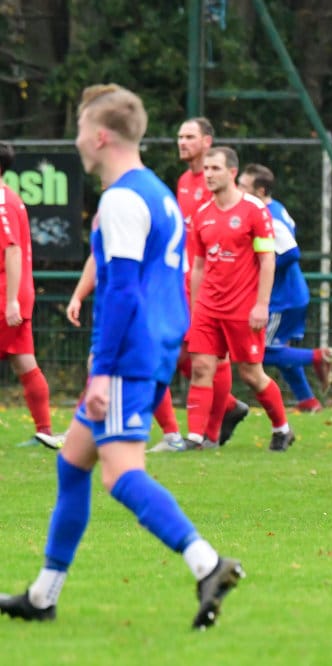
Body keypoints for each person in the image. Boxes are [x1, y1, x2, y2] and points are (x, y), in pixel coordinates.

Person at [0, 84, 243, 628]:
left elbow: (125, 292)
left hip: (130, 357)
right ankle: (43, 595)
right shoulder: (155, 192)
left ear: (101, 136)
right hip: (150, 348)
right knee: (72, 464)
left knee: (119, 475)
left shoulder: (122, 200)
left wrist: (103, 370)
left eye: (81, 129)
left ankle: (207, 563)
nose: (76, 140)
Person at [185, 147, 294, 452]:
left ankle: (282, 428)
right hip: (208, 306)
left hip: (243, 308)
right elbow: (199, 266)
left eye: (215, 169)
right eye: (206, 169)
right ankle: (195, 438)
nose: (208, 175)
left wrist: (261, 305)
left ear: (232, 172)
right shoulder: (201, 214)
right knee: (201, 367)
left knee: (251, 374)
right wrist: (195, 309)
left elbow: (267, 260)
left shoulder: (253, 210)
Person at [237, 163, 332, 412]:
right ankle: (307, 401)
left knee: (262, 351)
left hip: (281, 298)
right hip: (291, 294)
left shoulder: (269, 216)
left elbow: (292, 252)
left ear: (260, 191)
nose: (238, 190)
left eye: (243, 186)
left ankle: (317, 357)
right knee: (280, 348)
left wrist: (259, 267)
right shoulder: (274, 209)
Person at [171, 117, 249, 450]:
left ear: (207, 141)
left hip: (214, 284)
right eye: (180, 136)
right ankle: (228, 406)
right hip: (184, 278)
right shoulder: (184, 182)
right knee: (181, 355)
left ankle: (211, 433)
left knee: (215, 358)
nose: (182, 142)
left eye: (189, 136)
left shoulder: (218, 184)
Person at [67, 254, 186, 450]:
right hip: (124, 299)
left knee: (131, 365)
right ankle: (81, 428)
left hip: (132, 300)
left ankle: (170, 433)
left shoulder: (128, 238)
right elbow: (96, 256)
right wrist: (78, 297)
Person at [0, 142, 61, 450]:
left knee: (24, 362)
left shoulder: (2, 200)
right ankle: (45, 432)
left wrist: (11, 300)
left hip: (5, 294)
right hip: (16, 293)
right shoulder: (9, 197)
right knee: (24, 362)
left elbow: (11, 249)